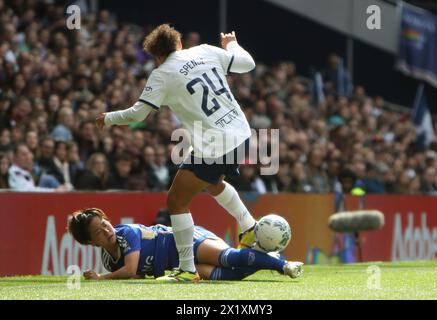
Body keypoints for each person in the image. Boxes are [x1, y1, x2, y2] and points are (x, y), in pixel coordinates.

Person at [96, 24, 260, 282]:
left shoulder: (161, 74)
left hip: (215, 144)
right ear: (179, 44)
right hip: (241, 133)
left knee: (176, 201)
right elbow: (248, 64)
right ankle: (250, 226)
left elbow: (138, 114)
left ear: (156, 55)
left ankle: (187, 269)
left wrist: (108, 118)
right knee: (213, 183)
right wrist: (231, 44)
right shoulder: (206, 50)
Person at [68, 208, 303, 281]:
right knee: (228, 276)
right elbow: (135, 278)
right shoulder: (110, 261)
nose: (106, 231)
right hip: (178, 264)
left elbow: (130, 270)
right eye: (98, 232)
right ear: (90, 242)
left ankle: (283, 265)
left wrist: (100, 279)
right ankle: (260, 251)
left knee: (229, 258)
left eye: (105, 224)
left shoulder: (126, 233)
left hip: (184, 240)